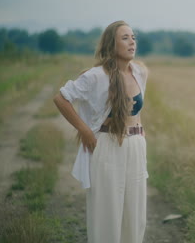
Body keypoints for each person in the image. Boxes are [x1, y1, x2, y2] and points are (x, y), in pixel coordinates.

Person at [53, 20, 149, 243]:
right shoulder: (96, 76)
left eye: (133, 37)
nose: (132, 41)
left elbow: (137, 112)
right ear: (111, 44)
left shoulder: (140, 73)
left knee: (134, 214)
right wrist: (84, 130)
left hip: (135, 146)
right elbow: (62, 98)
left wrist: (141, 138)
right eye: (125, 38)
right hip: (107, 145)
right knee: (107, 212)